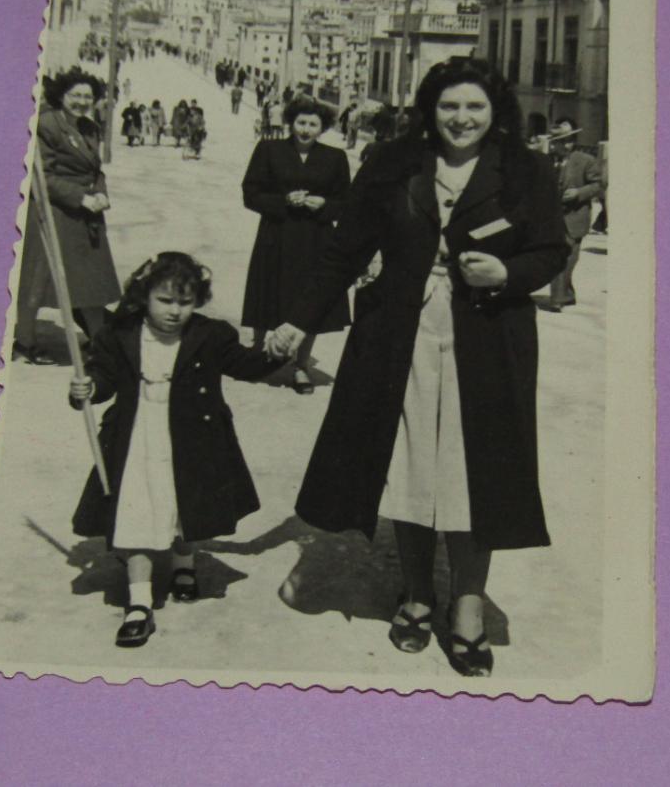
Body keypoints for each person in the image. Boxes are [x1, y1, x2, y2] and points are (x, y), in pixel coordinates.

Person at [270, 57, 566, 676]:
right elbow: (342, 250)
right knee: (409, 467)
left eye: (475, 107)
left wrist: (510, 273)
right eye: (450, 106)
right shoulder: (391, 164)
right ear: (430, 109)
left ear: (494, 111)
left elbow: (550, 249)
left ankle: (467, 609)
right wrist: (298, 318)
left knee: (472, 471)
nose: (462, 119)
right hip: (397, 334)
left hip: (488, 337)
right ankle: (414, 596)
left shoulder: (523, 169)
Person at [68, 253, 285, 648]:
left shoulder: (211, 335)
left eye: (184, 302)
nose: (174, 311)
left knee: (184, 505)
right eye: (165, 301)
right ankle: (138, 604)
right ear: (144, 296)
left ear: (197, 301)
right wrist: (88, 390)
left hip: (193, 437)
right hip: (137, 436)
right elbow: (104, 377)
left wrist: (275, 353)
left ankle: (184, 565)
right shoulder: (120, 333)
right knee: (137, 511)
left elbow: (246, 366)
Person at [241, 96, 351, 394]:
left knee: (310, 298)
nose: (305, 129)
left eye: (313, 124)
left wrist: (325, 204)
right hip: (276, 234)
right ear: (291, 123)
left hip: (316, 239)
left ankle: (300, 366)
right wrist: (283, 202)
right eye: (301, 122)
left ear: (323, 127)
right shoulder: (269, 149)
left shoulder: (335, 158)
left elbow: (347, 203)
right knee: (268, 293)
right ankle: (258, 355)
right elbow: (250, 193)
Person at [14, 71, 122, 363]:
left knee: (90, 283)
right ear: (62, 95)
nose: (81, 102)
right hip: (55, 212)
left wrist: (101, 193)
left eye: (87, 96)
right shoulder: (47, 125)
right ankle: (24, 344)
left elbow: (95, 170)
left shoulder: (90, 127)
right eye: (75, 95)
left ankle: (99, 344)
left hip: (86, 216)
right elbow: (41, 175)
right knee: (39, 280)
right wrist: (80, 197)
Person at [545, 119, 603, 310]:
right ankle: (558, 299)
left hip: (575, 218)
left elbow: (599, 185)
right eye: (560, 141)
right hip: (552, 219)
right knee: (557, 257)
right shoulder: (546, 160)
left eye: (569, 140)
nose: (565, 145)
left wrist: (579, 193)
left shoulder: (586, 160)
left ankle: (566, 294)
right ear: (553, 142)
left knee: (570, 260)